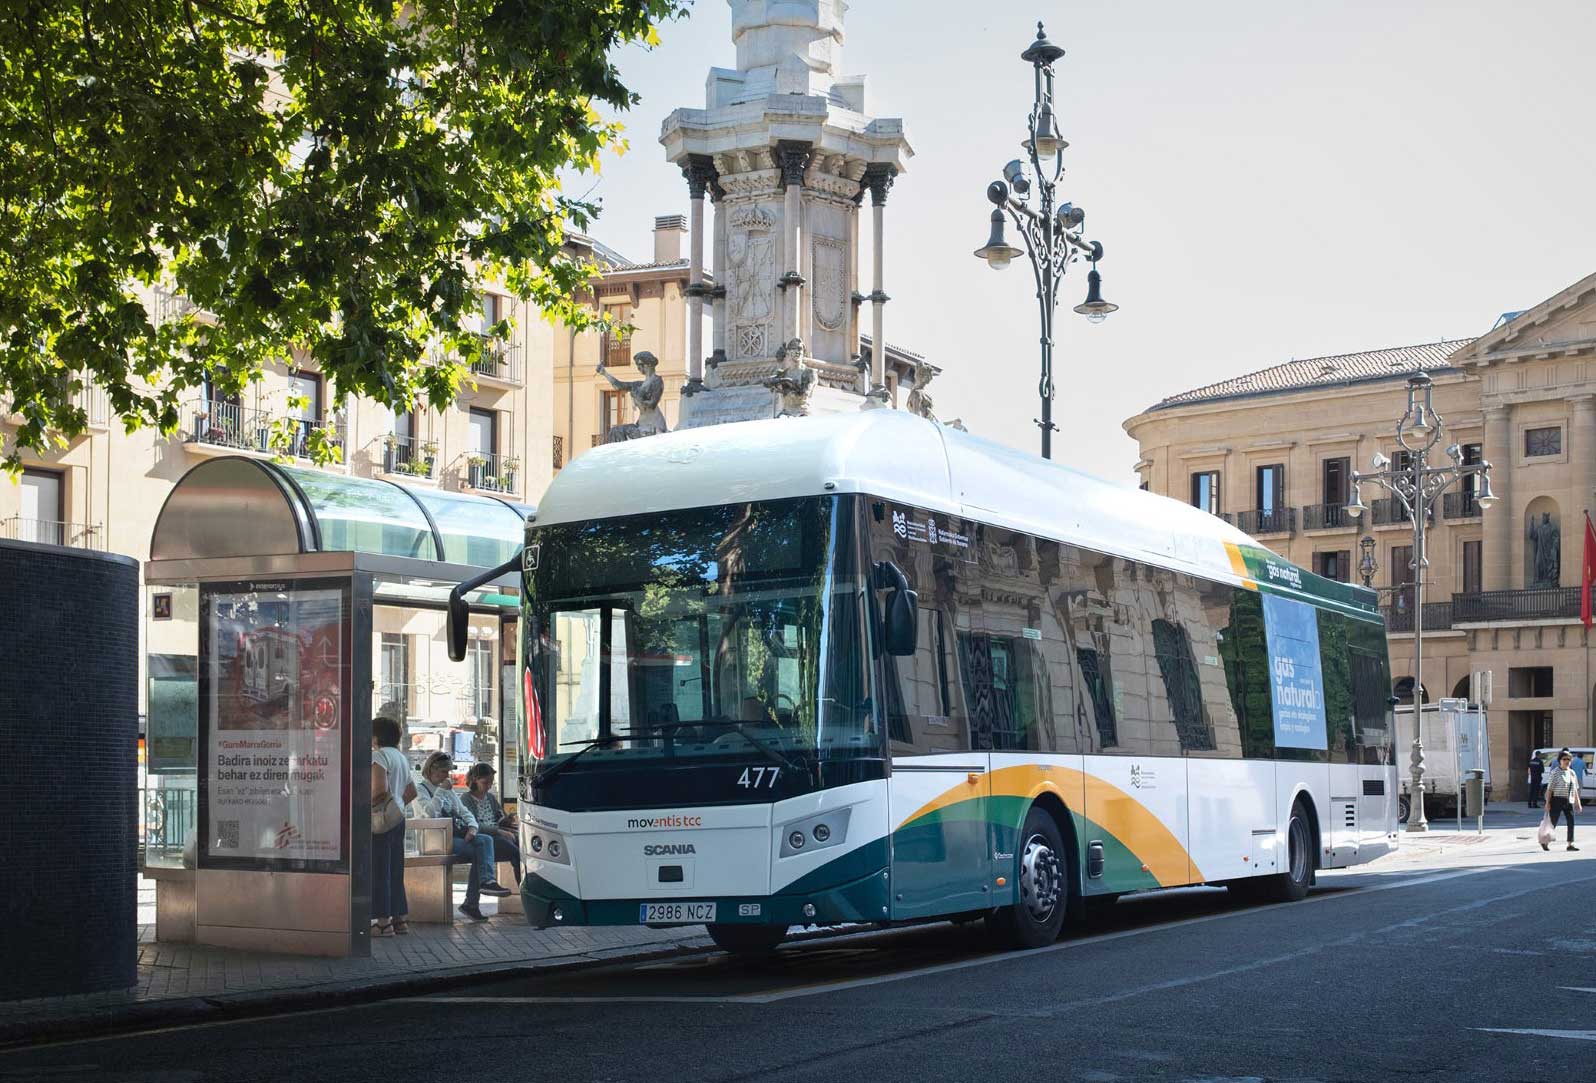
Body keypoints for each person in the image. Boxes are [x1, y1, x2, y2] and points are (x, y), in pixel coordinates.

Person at [415, 752, 511, 920]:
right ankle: (472, 902)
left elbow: (463, 811)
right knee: (479, 852)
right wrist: (440, 792)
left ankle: (486, 883)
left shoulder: (448, 790)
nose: (447, 776)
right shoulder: (421, 790)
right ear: (432, 770)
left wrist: (473, 827)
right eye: (443, 772)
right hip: (434, 838)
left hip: (454, 835)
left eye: (448, 772)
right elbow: (429, 813)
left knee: (485, 840)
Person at [371, 715, 416, 936]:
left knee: (380, 870)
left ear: (376, 736)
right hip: (398, 820)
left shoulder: (378, 756)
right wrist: (396, 806)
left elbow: (378, 790)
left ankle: (383, 923)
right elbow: (411, 792)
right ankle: (400, 920)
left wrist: (364, 805)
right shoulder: (400, 757)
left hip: (381, 822)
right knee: (395, 869)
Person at [462, 764, 520, 887]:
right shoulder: (466, 799)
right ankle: (522, 887)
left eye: (491, 782)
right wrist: (499, 831)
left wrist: (507, 820)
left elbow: (499, 817)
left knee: (520, 843)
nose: (488, 786)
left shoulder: (490, 797)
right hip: (484, 836)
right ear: (475, 780)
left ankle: (470, 904)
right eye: (485, 782)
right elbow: (473, 825)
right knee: (516, 853)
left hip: (498, 833)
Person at [1542, 749, 1582, 852]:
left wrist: (1578, 803)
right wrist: (1547, 803)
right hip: (1556, 800)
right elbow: (1550, 789)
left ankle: (1570, 844)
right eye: (1564, 759)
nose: (1567, 761)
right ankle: (1545, 841)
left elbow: (1575, 789)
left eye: (1569, 759)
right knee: (1553, 822)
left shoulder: (1572, 773)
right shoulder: (1555, 772)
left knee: (1571, 821)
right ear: (1560, 760)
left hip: (1569, 800)